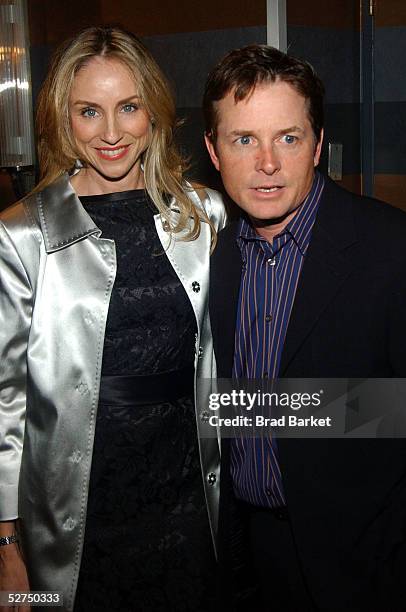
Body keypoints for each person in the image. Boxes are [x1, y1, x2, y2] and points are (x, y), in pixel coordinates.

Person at [203, 44, 406, 612]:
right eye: (244, 139)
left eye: (287, 138)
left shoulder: (401, 252)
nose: (267, 163)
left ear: (316, 146)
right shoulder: (207, 259)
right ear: (213, 151)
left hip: (370, 570)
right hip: (248, 566)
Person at [0, 26, 226, 612]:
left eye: (127, 107)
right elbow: (5, 401)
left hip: (189, 493)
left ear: (152, 110)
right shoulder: (23, 232)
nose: (110, 132)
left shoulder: (203, 212)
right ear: (63, 120)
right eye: (88, 112)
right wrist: (6, 547)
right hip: (79, 505)